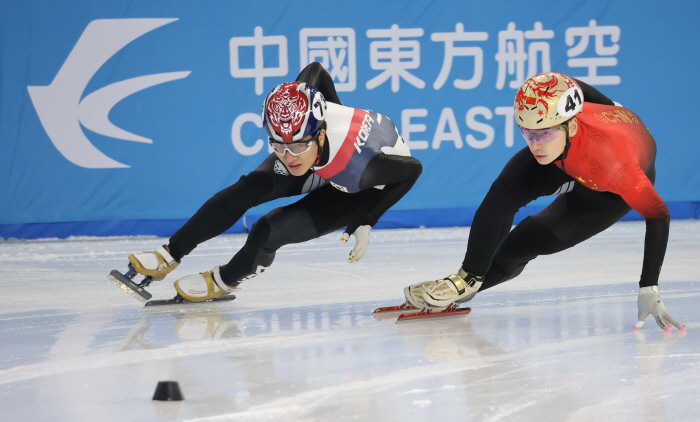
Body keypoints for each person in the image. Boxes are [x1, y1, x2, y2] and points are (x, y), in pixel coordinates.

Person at [404, 72, 684, 332]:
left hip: (605, 190)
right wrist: (471, 273)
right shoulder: (551, 112)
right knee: (503, 193)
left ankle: (472, 285)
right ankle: (466, 280)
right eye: (527, 133)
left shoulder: (618, 167)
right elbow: (563, 81)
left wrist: (649, 287)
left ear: (571, 124)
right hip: (568, 153)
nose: (535, 144)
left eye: (543, 133)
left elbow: (659, 214)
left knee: (522, 245)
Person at [125, 62, 422, 301]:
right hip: (322, 157)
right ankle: (170, 253)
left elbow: (412, 170)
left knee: (269, 231)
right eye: (277, 145)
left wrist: (369, 218)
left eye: (295, 147)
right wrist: (304, 135)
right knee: (250, 187)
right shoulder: (304, 119)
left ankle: (223, 280)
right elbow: (316, 70)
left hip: (360, 187)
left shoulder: (362, 167)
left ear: (320, 135)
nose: (288, 156)